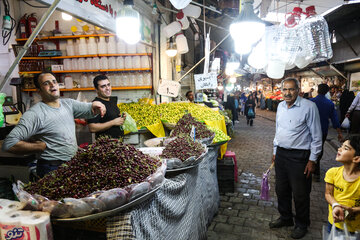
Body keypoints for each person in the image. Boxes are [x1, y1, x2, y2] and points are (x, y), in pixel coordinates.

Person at [2, 71, 106, 177]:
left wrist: (97, 105)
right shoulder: (35, 114)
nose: (52, 85)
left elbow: (90, 108)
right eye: (46, 83)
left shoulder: (68, 104)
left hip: (71, 164)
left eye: (54, 81)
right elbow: (9, 144)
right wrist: (37, 147)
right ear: (39, 91)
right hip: (51, 168)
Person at [269, 78, 322, 239]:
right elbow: (279, 130)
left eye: (291, 89)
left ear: (298, 90)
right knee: (281, 189)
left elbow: (317, 136)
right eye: (285, 89)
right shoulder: (280, 106)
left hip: (300, 156)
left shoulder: (309, 107)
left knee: (300, 193)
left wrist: (312, 160)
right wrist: (275, 150)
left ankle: (302, 224)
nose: (287, 93)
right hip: (282, 155)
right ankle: (286, 218)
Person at [324, 136, 360, 234]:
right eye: (341, 146)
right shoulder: (332, 173)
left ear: (356, 158)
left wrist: (353, 210)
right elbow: (328, 194)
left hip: (356, 228)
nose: (339, 149)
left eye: (345, 148)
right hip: (334, 223)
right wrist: (336, 205)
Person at [310, 84, 343, 182]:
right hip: (322, 131)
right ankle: (316, 172)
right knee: (319, 149)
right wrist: (339, 133)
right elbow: (334, 119)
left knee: (308, 148)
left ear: (318, 90)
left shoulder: (311, 102)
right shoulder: (330, 104)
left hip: (310, 131)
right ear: (327, 92)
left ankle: (310, 168)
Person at [87, 75, 126, 139]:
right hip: (106, 146)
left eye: (108, 85)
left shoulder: (112, 100)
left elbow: (109, 117)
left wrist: (121, 117)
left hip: (117, 143)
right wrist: (113, 122)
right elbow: (92, 128)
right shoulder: (96, 104)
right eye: (103, 86)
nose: (107, 88)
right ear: (96, 90)